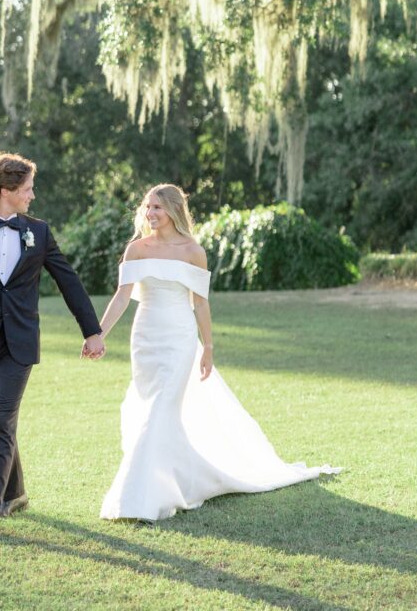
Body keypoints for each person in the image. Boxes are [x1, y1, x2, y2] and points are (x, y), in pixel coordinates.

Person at [96, 183, 340, 522]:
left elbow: (200, 303)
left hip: (180, 338)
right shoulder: (137, 249)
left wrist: (208, 347)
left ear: (173, 211)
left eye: (158, 208)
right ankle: (172, 481)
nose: (150, 214)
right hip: (146, 338)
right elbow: (122, 296)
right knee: (152, 407)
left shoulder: (192, 251)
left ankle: (141, 498)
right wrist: (99, 334)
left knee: (161, 407)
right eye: (148, 207)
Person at [0, 152, 105, 539]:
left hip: (20, 344)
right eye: (28, 189)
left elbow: (68, 281)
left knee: (1, 421)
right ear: (7, 190)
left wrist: (91, 330)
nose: (33, 195)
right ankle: (16, 492)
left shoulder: (39, 232)